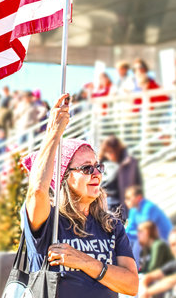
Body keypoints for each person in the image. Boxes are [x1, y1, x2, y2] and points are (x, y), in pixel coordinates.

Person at [22, 94, 138, 298]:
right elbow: (38, 190)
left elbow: (131, 285)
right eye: (86, 168)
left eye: (97, 166)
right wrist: (53, 133)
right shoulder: (49, 221)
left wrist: (83, 261)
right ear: (64, 177)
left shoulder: (111, 225)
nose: (96, 173)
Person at [98, 136, 142, 216]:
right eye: (106, 152)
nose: (109, 155)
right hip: (106, 202)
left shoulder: (131, 163)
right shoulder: (102, 164)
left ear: (117, 150)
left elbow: (138, 184)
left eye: (111, 151)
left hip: (124, 203)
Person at [139, 226, 176, 298]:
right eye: (173, 244)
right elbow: (149, 276)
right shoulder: (175, 263)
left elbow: (174, 280)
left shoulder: (158, 245)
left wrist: (148, 292)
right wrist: (143, 287)